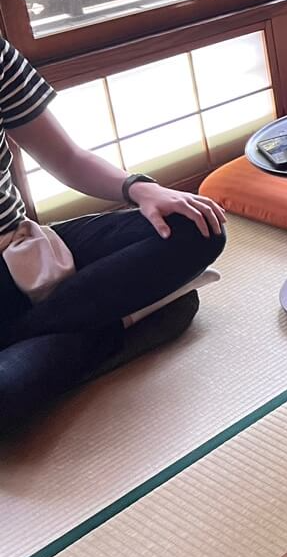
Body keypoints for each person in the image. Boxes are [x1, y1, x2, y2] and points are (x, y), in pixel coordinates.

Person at [0, 37, 227, 434]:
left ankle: (25, 334)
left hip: (23, 249)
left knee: (198, 228)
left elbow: (67, 157)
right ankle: (122, 319)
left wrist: (139, 188)